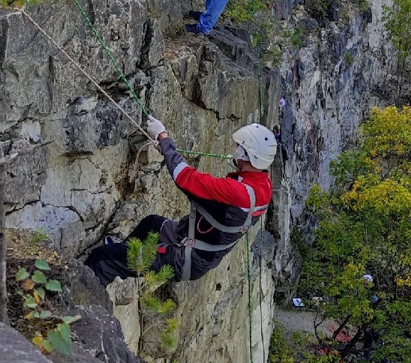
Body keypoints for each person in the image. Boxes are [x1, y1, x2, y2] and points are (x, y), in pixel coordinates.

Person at [84, 120, 276, 285]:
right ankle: (124, 259)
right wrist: (167, 150)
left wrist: (163, 137)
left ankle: (82, 302)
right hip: (192, 241)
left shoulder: (237, 193)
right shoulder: (262, 185)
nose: (234, 150)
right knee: (151, 224)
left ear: (245, 154)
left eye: (238, 147)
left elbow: (185, 177)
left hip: (184, 257)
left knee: (102, 257)